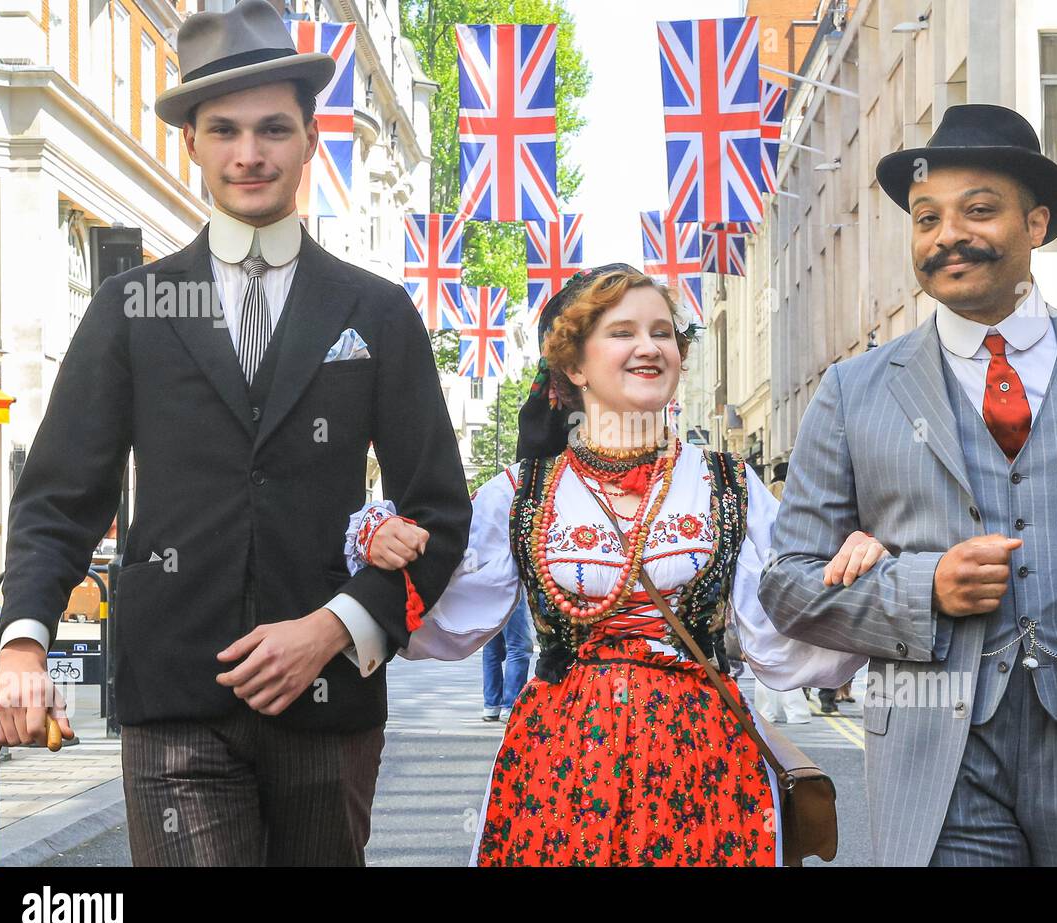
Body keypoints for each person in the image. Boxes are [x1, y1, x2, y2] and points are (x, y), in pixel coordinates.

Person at [0, 0, 471, 866]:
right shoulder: (132, 306)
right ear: (194, 144)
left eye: (274, 129)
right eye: (226, 130)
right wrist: (24, 640)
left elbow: (439, 512)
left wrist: (334, 626)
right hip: (176, 699)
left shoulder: (377, 312)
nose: (250, 153)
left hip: (330, 705)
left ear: (311, 141)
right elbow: (60, 496)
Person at [760, 103, 1057, 866]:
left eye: (978, 210)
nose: (947, 235)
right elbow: (787, 584)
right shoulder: (854, 392)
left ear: (1037, 223)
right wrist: (925, 588)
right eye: (926, 218)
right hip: (940, 756)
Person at [351, 264, 879, 866]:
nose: (650, 347)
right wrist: (383, 545)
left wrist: (858, 574)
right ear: (574, 366)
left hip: (707, 764)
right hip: (559, 768)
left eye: (663, 332)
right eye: (623, 332)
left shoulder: (729, 484)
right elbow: (441, 624)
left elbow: (786, 635)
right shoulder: (522, 493)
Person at [482, 597, 533, 721]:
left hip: (483, 588)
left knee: (492, 646)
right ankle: (511, 707)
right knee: (519, 647)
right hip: (506, 585)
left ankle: (492, 704)